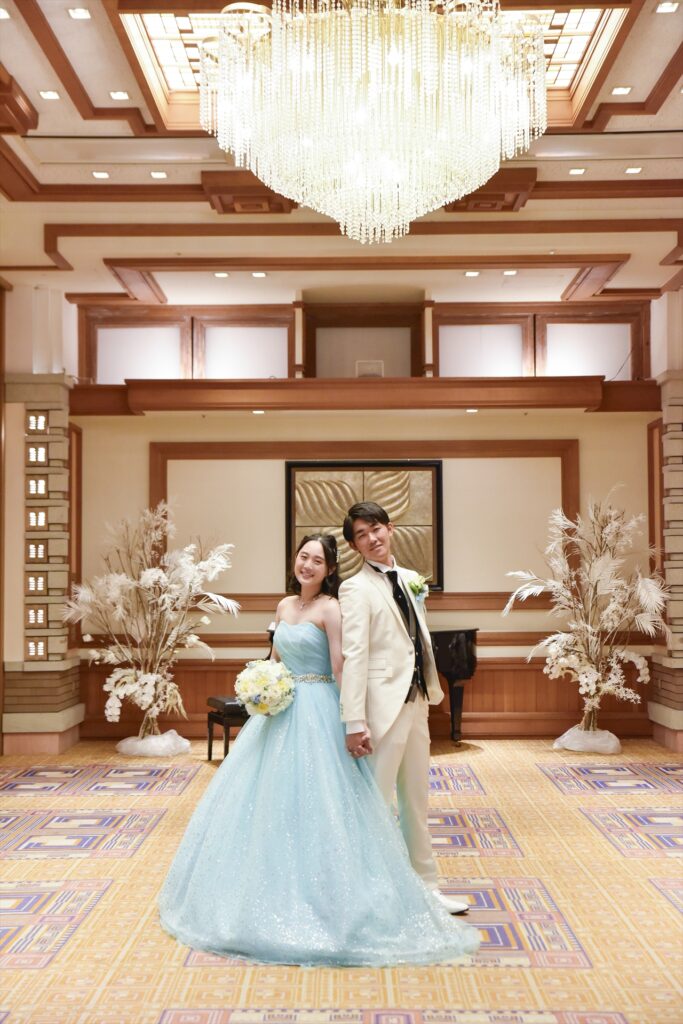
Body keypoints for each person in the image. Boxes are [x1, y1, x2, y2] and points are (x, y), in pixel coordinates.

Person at [158, 533, 479, 966]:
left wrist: (353, 720)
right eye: (303, 556)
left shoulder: (331, 608)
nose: (307, 565)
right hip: (281, 710)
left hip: (319, 708)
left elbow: (341, 664)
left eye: (317, 560)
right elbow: (274, 658)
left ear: (329, 570)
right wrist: (261, 686)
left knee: (325, 798)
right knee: (267, 801)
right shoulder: (283, 606)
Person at [339, 501, 469, 915]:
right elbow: (355, 656)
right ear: (354, 546)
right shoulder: (354, 588)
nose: (371, 539)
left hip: (417, 702)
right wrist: (354, 720)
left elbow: (417, 640)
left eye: (375, 529)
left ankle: (426, 889)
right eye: (361, 535)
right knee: (376, 803)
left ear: (390, 528)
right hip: (381, 707)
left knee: (416, 800)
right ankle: (370, 892)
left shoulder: (412, 579)